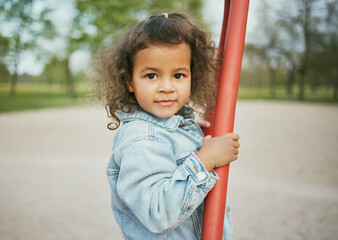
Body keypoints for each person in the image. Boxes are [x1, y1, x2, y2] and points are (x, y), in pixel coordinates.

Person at [96, 12, 240, 240]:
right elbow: (158, 213)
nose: (167, 86)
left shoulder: (170, 126)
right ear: (129, 82)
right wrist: (205, 161)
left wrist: (188, 131)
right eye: (152, 75)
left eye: (179, 75)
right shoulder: (142, 141)